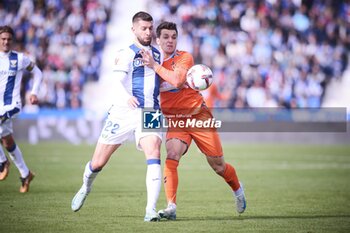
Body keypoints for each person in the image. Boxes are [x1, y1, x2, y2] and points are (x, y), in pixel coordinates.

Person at [141, 21, 246, 220]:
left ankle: (238, 190)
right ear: (158, 40)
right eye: (165, 37)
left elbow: (178, 81)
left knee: (218, 166)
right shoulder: (150, 61)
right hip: (175, 120)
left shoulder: (184, 57)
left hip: (198, 116)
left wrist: (155, 67)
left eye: (173, 37)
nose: (170, 41)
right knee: (171, 154)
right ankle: (171, 206)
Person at [71, 11, 163, 222]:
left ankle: (150, 209)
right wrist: (128, 96)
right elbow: (116, 81)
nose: (148, 32)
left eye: (150, 28)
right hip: (123, 111)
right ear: (134, 29)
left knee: (154, 152)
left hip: (150, 111)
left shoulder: (157, 55)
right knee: (98, 162)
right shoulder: (127, 53)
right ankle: (86, 186)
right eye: (144, 28)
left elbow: (159, 82)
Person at [0, 25, 42, 193]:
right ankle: (25, 174)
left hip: (12, 105)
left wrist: (34, 92)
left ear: (13, 41)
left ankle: (2, 162)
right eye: (3, 39)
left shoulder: (20, 58)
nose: (6, 42)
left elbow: (38, 72)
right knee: (7, 141)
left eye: (9, 39)